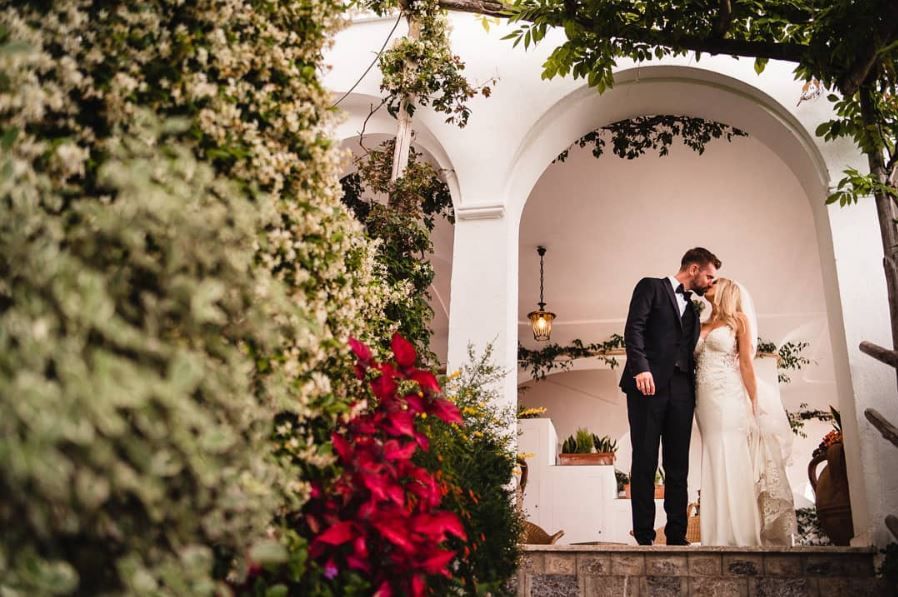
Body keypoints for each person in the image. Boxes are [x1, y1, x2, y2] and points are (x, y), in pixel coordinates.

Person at [620, 247, 720, 546]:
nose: (711, 283)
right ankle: (644, 535)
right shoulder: (650, 286)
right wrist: (641, 369)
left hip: (681, 390)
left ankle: (677, 534)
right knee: (645, 460)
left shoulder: (693, 308)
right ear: (693, 269)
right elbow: (634, 327)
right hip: (646, 386)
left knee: (678, 464)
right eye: (709, 276)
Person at [695, 278, 796, 546]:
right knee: (713, 453)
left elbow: (747, 365)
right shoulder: (701, 324)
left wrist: (754, 401)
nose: (708, 285)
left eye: (714, 283)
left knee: (732, 451)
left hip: (728, 395)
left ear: (727, 290)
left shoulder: (739, 321)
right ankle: (715, 533)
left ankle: (741, 532)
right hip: (703, 399)